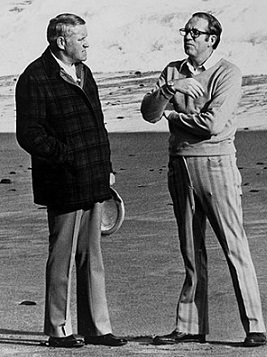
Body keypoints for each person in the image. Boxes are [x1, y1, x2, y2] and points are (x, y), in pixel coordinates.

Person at [141, 12, 267, 347]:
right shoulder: (173, 71)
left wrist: (174, 115)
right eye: (186, 31)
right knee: (190, 248)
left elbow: (213, 125)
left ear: (212, 39)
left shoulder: (228, 73)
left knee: (234, 245)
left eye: (195, 33)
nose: (188, 37)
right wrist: (169, 89)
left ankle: (254, 325)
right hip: (179, 165)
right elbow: (148, 113)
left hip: (217, 166)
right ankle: (190, 325)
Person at [16, 13, 127, 348]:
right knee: (61, 256)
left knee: (91, 255)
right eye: (81, 39)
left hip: (93, 175)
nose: (87, 43)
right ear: (61, 41)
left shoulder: (84, 71)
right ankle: (57, 330)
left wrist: (105, 164)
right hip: (62, 179)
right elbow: (29, 134)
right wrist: (66, 156)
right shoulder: (35, 77)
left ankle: (96, 328)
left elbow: (98, 124)